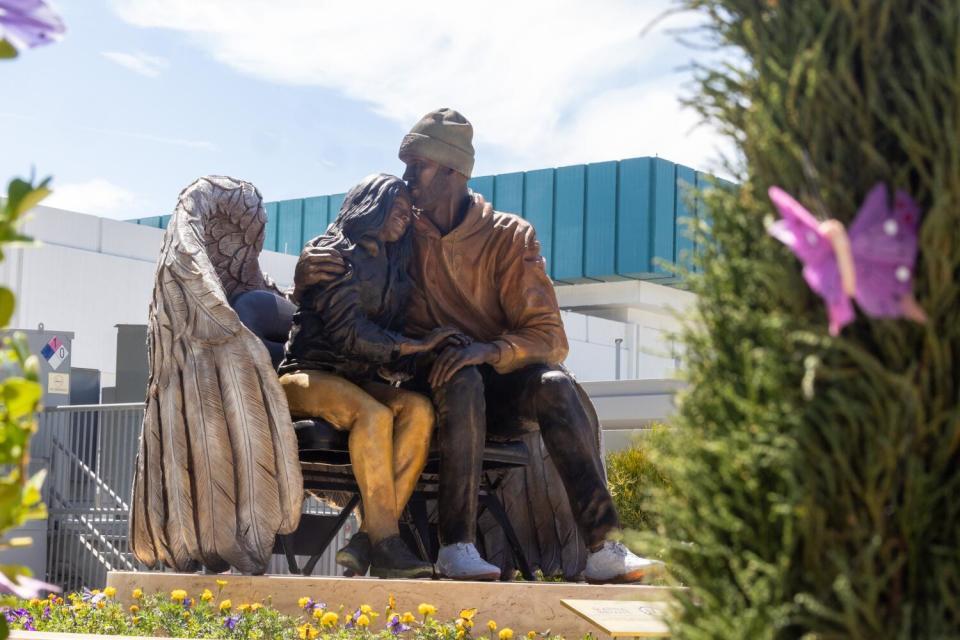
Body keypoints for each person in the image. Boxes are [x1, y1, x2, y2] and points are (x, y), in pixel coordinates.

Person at [296, 109, 662, 583]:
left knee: (554, 385)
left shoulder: (509, 237)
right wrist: (309, 268)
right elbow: (350, 241)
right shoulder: (402, 232)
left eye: (417, 167)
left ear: (453, 172)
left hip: (499, 377)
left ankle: (605, 548)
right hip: (426, 375)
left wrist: (489, 351)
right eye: (405, 166)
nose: (407, 179)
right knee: (459, 376)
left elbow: (550, 337)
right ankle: (456, 545)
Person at [278, 173, 460, 578]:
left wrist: (423, 350)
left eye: (406, 212)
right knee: (374, 415)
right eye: (394, 209)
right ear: (370, 206)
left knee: (418, 409)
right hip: (304, 377)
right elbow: (349, 334)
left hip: (355, 379)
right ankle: (387, 545)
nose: (404, 218)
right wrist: (415, 346)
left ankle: (367, 538)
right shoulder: (329, 253)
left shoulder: (394, 266)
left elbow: (388, 339)